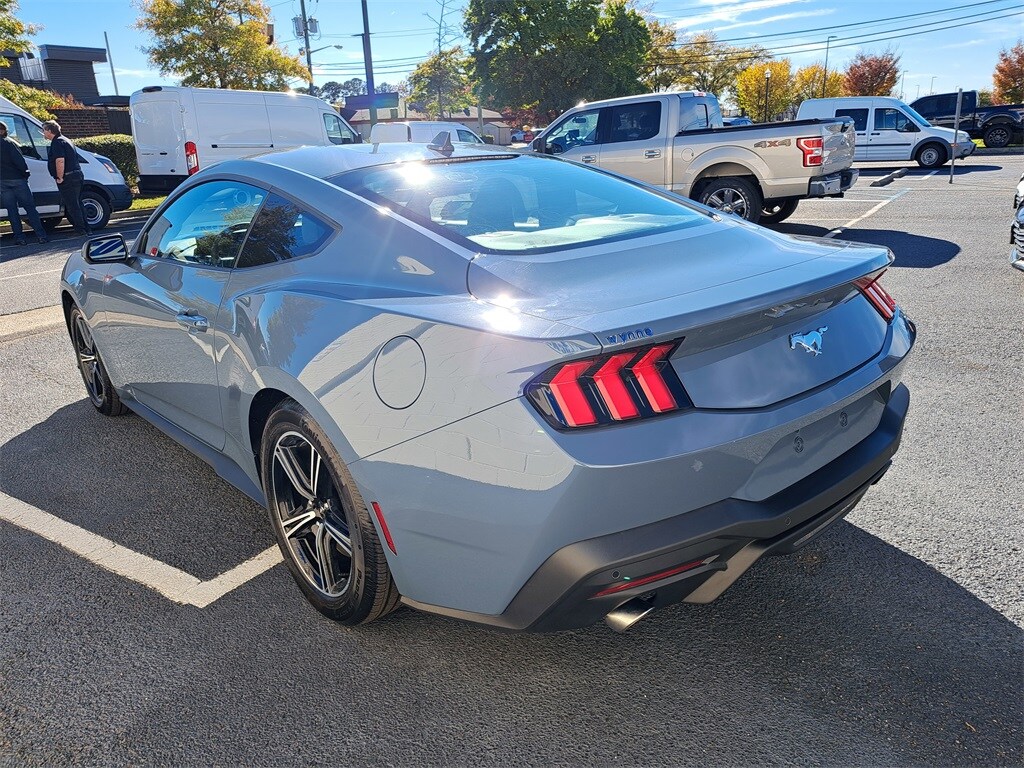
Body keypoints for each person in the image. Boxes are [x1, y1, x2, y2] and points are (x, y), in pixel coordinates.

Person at [0, 120, 48, 245]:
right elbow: (19, 161)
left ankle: (19, 238)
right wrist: (25, 174)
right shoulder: (9, 143)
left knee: (12, 211)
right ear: (3, 130)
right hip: (17, 179)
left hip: (2, 181)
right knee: (30, 208)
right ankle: (41, 235)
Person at [41, 119, 90, 235]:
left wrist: (60, 177)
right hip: (76, 175)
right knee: (78, 203)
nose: (43, 133)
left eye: (44, 130)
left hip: (68, 177)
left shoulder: (57, 142)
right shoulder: (66, 140)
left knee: (73, 205)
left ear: (49, 130)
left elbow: (60, 161)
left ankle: (80, 229)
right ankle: (86, 228)